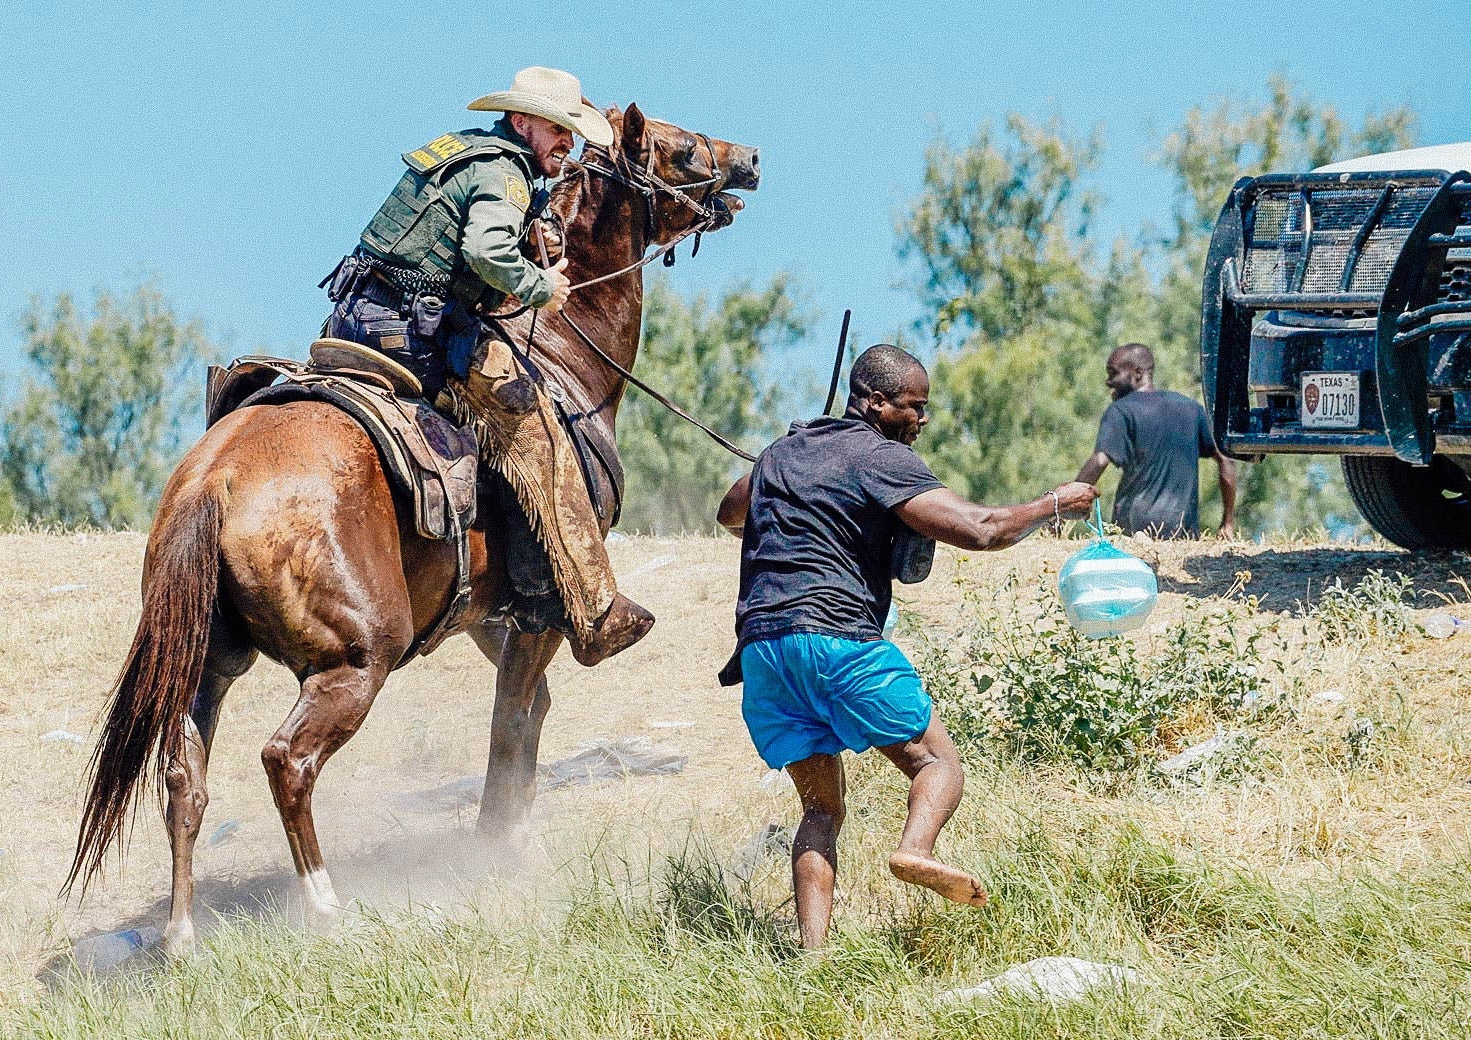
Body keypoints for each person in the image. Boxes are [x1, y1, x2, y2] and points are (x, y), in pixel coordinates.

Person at [717, 344, 1098, 949]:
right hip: (838, 639)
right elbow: (981, 529)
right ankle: (915, 850)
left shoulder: (783, 452)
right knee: (937, 763)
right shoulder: (881, 457)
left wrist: (791, 463)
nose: (921, 420)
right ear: (873, 402)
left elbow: (731, 511)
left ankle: (812, 956)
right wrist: (1055, 503)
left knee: (820, 811)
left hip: (763, 652)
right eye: (913, 407)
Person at [319, 66, 652, 666]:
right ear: (522, 121)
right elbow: (484, 250)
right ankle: (594, 607)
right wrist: (538, 285)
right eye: (558, 129)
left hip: (354, 322)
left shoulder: (465, 156)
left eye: (571, 132)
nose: (568, 142)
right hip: (418, 337)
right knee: (539, 429)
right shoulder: (506, 173)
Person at [1075, 343, 1237, 539]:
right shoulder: (1191, 408)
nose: (1109, 382)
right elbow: (1226, 459)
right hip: (1181, 532)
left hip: (1133, 529)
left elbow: (1100, 460)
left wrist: (1064, 504)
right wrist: (1227, 521)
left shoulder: (1121, 410)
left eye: (1113, 373)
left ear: (1137, 373)